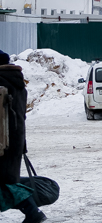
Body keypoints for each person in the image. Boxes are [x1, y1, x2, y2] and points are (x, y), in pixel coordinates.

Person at [0, 50, 47, 223]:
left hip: (3, 141)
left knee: (6, 182)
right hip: (15, 139)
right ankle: (32, 211)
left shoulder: (1, 82)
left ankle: (32, 210)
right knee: (5, 180)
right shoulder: (17, 82)